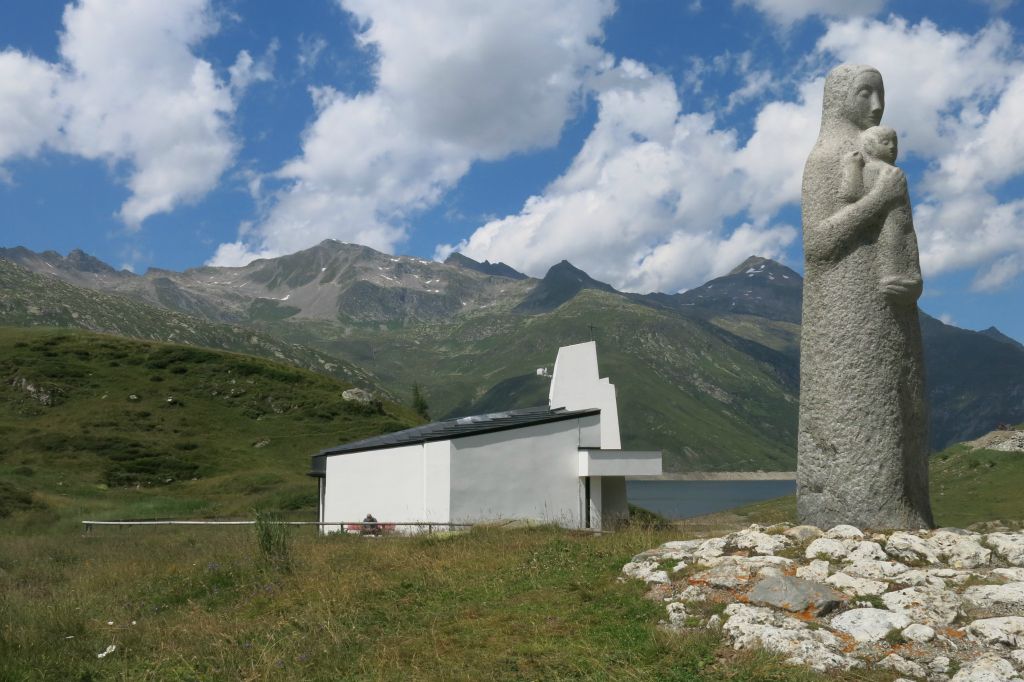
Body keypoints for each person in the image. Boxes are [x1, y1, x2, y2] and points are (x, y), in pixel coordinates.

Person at [798, 64, 933, 529]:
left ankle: (911, 506)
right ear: (839, 98)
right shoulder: (824, 160)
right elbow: (818, 244)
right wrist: (881, 199)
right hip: (844, 306)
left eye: (881, 94)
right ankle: (863, 508)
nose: (876, 106)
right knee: (862, 409)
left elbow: (906, 235)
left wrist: (914, 281)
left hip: (892, 304)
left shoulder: (886, 164)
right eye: (864, 93)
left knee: (904, 405)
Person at [838, 124, 922, 304]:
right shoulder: (883, 171)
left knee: (895, 238)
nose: (892, 147)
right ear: (868, 147)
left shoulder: (888, 171)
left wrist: (851, 166)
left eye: (895, 143)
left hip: (896, 233)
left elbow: (851, 194)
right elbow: (853, 197)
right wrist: (852, 166)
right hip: (892, 234)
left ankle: (897, 273)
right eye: (885, 142)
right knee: (893, 239)